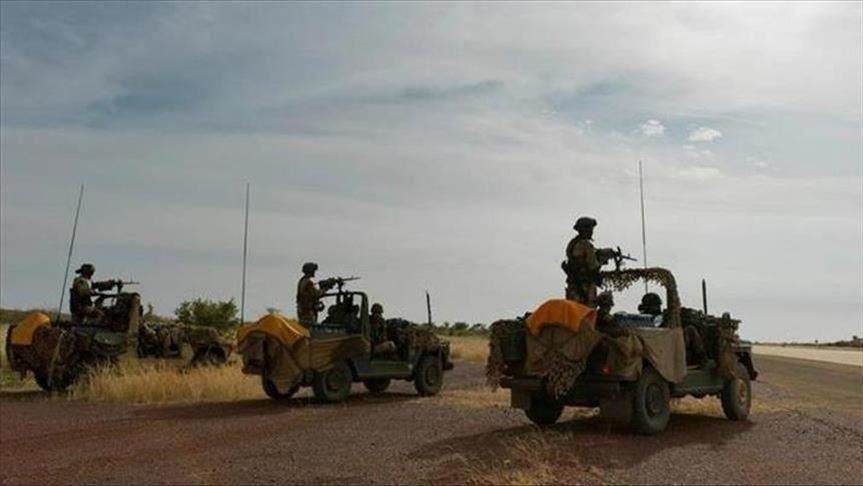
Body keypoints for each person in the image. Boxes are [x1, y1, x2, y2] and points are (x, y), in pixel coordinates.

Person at [563, 217, 614, 305]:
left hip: (573, 287)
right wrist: (603, 259)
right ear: (585, 230)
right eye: (590, 229)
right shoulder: (586, 245)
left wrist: (599, 253)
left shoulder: (573, 243)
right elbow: (593, 267)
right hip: (584, 288)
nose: (592, 232)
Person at [296, 262, 335, 327]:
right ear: (310, 271)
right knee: (310, 330)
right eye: (313, 270)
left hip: (302, 310)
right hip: (307, 311)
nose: (314, 272)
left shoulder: (302, 281)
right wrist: (326, 288)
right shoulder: (308, 283)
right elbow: (317, 294)